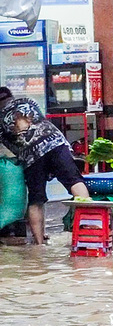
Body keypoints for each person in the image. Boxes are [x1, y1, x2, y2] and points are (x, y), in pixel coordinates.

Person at [0, 86, 89, 245]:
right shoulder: (28, 101)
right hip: (55, 143)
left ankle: (40, 242)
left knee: (36, 199)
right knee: (75, 181)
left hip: (32, 155)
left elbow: (9, 144)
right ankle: (89, 227)